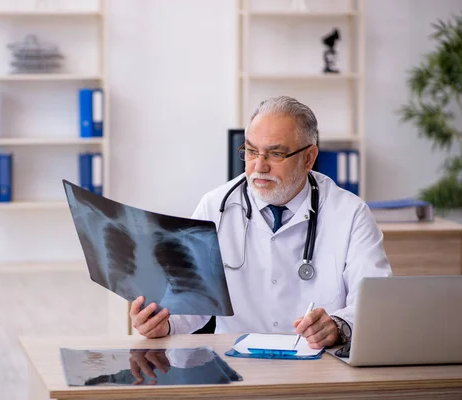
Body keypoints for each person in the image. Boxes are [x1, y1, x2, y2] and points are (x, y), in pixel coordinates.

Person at [130, 95, 392, 349]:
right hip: (234, 363)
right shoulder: (214, 207)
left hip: (319, 363)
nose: (259, 166)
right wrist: (163, 323)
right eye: (252, 151)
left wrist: (338, 325)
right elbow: (191, 302)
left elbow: (376, 301)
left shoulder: (350, 213)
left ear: (309, 158)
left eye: (275, 154)